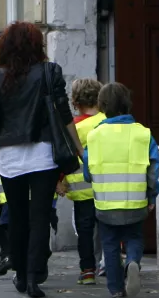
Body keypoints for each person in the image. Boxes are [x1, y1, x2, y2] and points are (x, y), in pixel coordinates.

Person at [0, 22, 84, 298]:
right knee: (39, 217)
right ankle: (33, 278)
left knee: (16, 217)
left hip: (11, 158)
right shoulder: (50, 72)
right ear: (36, 45)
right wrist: (78, 149)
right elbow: (64, 115)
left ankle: (20, 273)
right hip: (44, 155)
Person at [83, 82, 159, 298]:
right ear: (128, 103)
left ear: (101, 106)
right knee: (134, 238)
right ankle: (133, 262)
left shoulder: (95, 135)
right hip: (136, 202)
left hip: (105, 204)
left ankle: (116, 289)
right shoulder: (142, 134)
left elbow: (88, 172)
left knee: (109, 245)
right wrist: (151, 195)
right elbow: (153, 169)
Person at [59, 78, 107, 285]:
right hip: (108, 189)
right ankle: (112, 263)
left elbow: (64, 156)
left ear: (75, 102)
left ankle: (87, 271)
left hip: (81, 191)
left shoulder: (73, 128)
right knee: (108, 228)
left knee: (85, 232)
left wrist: (59, 180)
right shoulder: (109, 121)